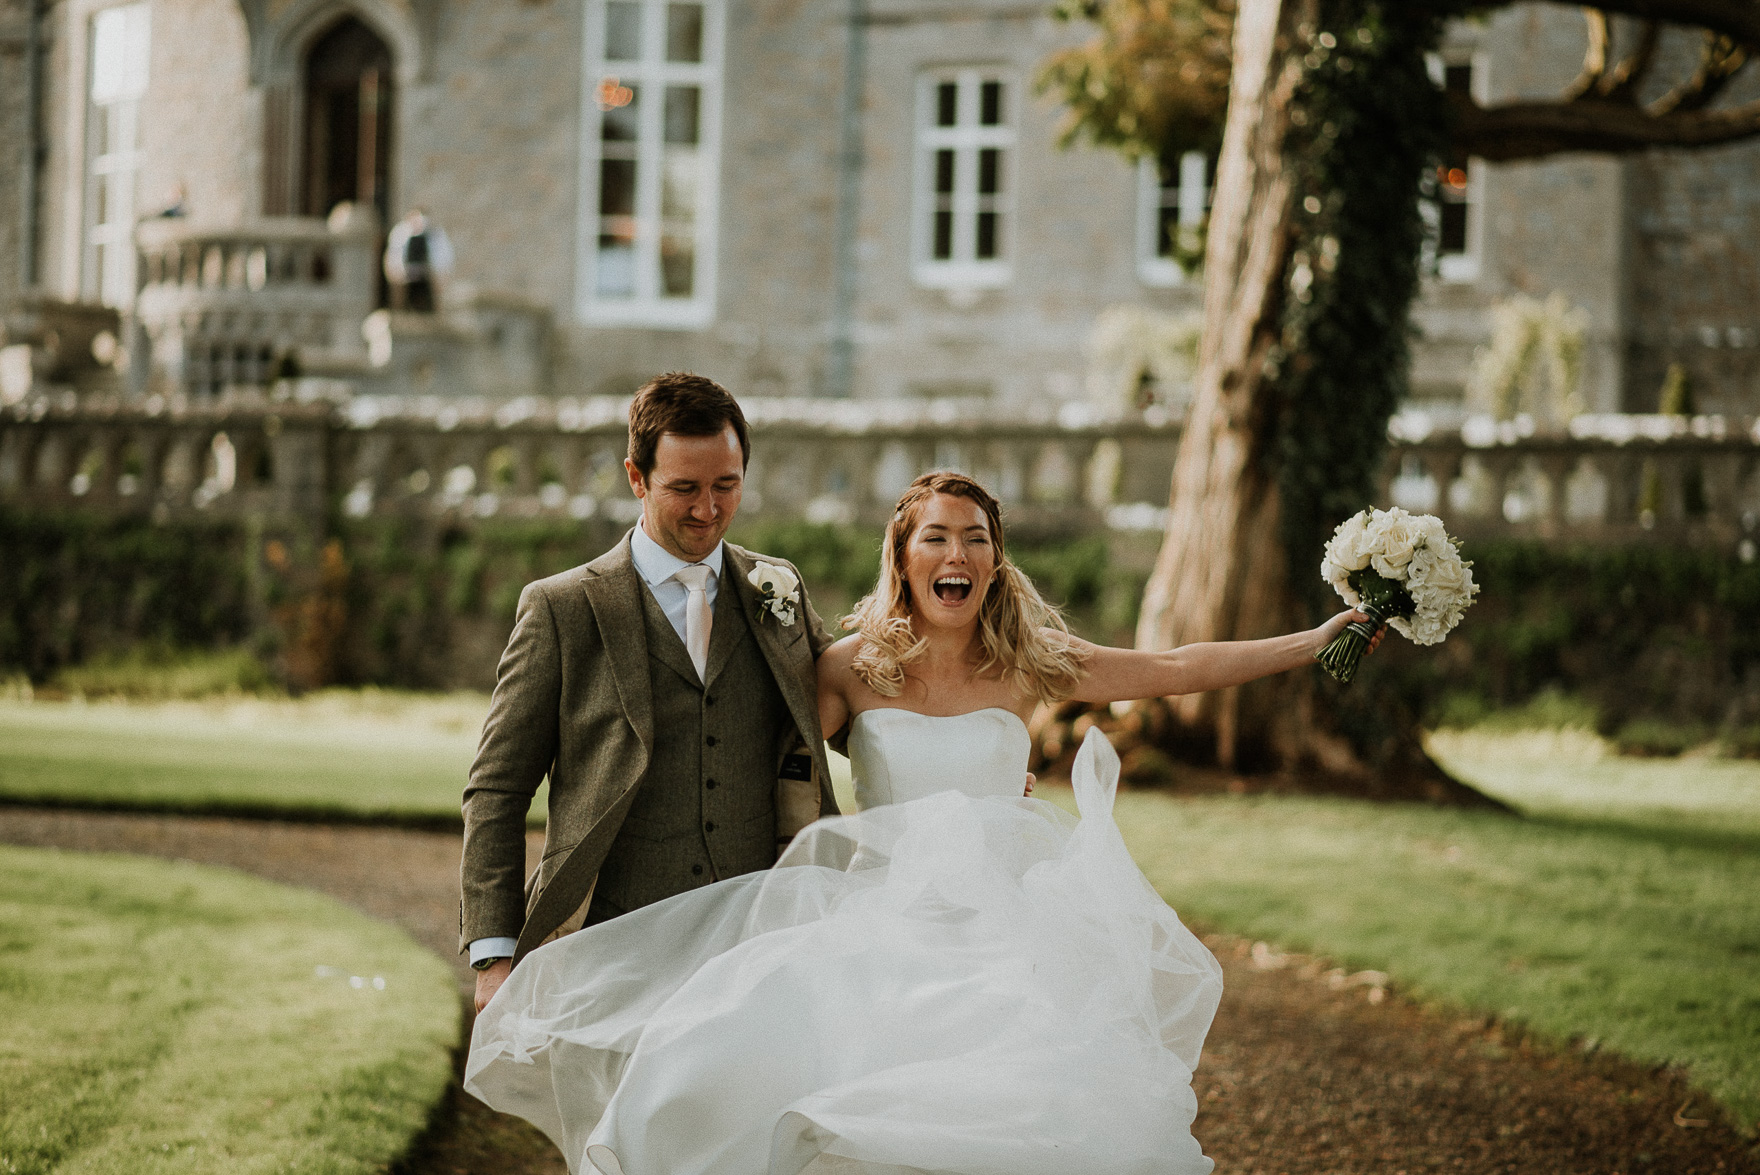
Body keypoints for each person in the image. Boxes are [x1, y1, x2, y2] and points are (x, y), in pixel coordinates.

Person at [466, 472, 1378, 1175]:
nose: (959, 553)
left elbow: (1177, 663)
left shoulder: (1029, 663)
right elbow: (735, 749)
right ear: (904, 556)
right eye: (936, 537)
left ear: (995, 559)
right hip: (876, 925)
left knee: (1007, 1117)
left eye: (976, 539)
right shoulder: (850, 668)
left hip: (1005, 930)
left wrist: (1313, 639)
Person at [459, 372, 840, 1016]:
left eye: (727, 485)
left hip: (751, 944)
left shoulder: (779, 592)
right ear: (636, 478)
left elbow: (853, 702)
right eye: (684, 488)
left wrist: (971, 754)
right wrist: (495, 957)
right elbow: (496, 791)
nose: (708, 509)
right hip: (608, 947)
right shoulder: (561, 610)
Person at [383, 208, 454, 312]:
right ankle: (400, 312)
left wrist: (432, 272)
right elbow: (393, 258)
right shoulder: (400, 234)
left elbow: (443, 259)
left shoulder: (436, 235)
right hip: (404, 275)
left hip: (429, 274)